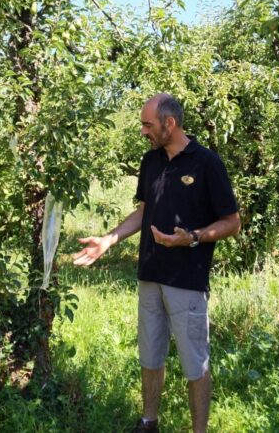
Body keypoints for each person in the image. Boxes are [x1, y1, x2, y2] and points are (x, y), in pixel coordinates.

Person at [73, 93, 240, 433]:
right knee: (150, 356)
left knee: (195, 363)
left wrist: (192, 237)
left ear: (170, 123)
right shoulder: (151, 161)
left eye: (148, 125)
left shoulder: (206, 163)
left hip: (186, 280)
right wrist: (108, 240)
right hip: (150, 275)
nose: (143, 131)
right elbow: (145, 210)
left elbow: (232, 222)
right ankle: (149, 421)